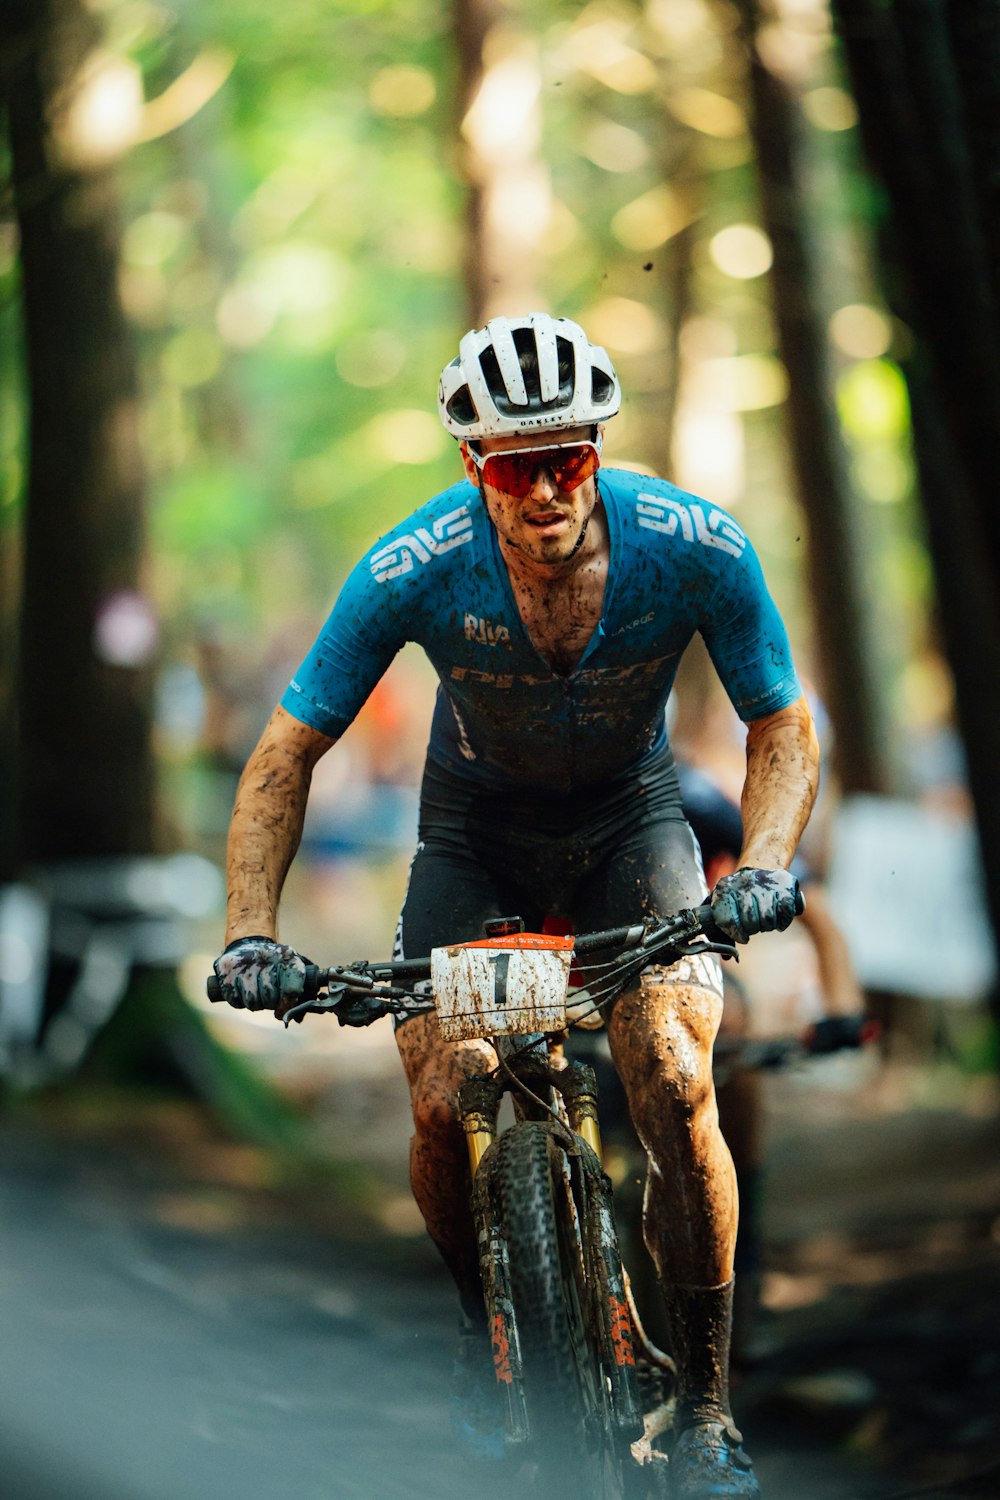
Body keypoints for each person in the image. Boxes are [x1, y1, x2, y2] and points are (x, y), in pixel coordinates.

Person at [212, 313, 819, 1499]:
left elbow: (780, 722)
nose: (543, 490)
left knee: (676, 1075)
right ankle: (483, 1331)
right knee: (445, 1090)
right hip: (474, 837)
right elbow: (287, 753)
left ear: (597, 447)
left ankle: (703, 1405)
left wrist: (761, 861)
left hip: (631, 824)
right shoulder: (410, 564)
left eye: (567, 460)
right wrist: (249, 930)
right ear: (469, 468)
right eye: (510, 464)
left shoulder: (692, 543)